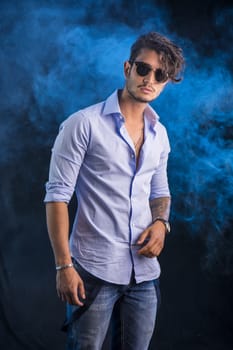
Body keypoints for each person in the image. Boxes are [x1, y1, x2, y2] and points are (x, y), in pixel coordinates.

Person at [44, 31, 184, 350]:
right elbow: (57, 197)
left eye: (161, 75)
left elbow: (160, 191)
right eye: (144, 69)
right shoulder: (83, 124)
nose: (150, 79)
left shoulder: (159, 134)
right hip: (93, 270)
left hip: (144, 274)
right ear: (127, 67)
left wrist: (162, 223)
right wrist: (63, 266)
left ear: (166, 83)